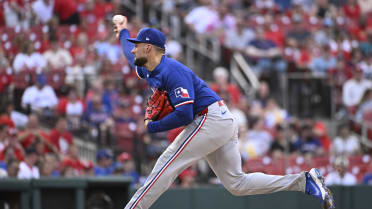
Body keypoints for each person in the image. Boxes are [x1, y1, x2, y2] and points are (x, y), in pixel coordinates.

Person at [113, 15, 334, 209]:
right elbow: (126, 51)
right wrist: (122, 30)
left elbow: (185, 115)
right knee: (237, 184)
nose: (133, 49)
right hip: (219, 120)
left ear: (149, 48)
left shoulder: (172, 71)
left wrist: (154, 126)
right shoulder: (146, 65)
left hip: (209, 119)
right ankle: (305, 182)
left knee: (166, 164)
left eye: (137, 45)